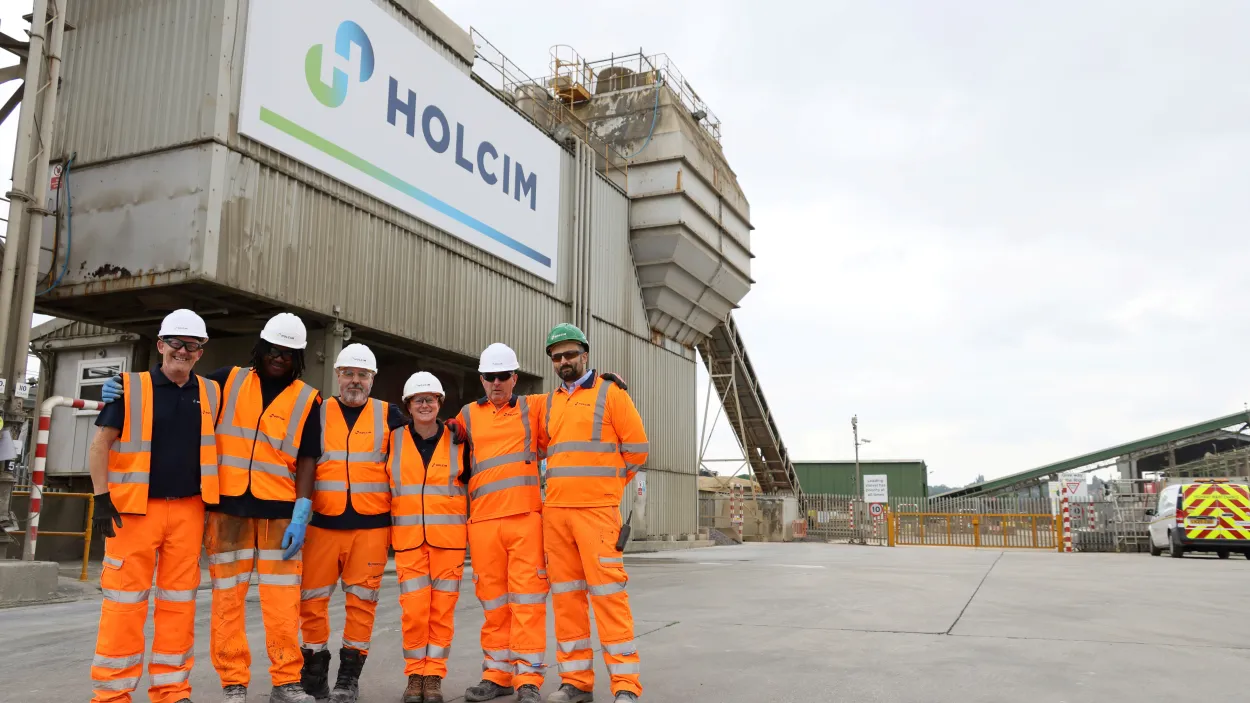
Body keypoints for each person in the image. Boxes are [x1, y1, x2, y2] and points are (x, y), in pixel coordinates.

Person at [103, 311, 322, 703]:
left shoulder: (308, 398)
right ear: (259, 347)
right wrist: (121, 387)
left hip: (279, 513)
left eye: (288, 353)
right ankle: (233, 680)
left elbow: (307, 459)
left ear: (299, 357)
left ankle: (286, 680)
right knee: (227, 598)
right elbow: (174, 382)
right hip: (227, 508)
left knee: (282, 600)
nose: (278, 357)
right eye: (272, 349)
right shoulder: (226, 380)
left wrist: (302, 511)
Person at [87, 309, 220, 703]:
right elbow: (99, 445)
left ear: (201, 351)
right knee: (124, 605)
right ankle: (113, 695)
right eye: (175, 342)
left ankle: (172, 690)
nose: (182, 350)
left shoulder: (212, 392)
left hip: (188, 510)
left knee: (179, 604)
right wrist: (100, 499)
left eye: (191, 344)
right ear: (161, 345)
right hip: (134, 512)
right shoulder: (129, 388)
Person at [540, 324, 648, 703]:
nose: (564, 361)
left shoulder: (610, 393)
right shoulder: (550, 402)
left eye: (570, 354)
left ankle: (625, 686)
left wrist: (607, 489)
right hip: (556, 515)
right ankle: (575, 682)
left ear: (585, 353)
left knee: (608, 598)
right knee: (567, 599)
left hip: (597, 514)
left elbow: (637, 450)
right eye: (557, 357)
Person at [298, 344, 407, 703]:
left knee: (362, 604)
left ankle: (348, 679)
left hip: (371, 529)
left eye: (363, 375)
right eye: (349, 373)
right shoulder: (316, 411)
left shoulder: (389, 415)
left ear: (373, 379)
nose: (355, 381)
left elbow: (425, 442)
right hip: (322, 526)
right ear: (338, 375)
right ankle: (314, 676)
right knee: (311, 602)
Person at [456, 343, 549, 703]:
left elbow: (571, 401)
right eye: (489, 377)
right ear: (481, 379)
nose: (496, 383)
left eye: (503, 376)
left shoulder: (532, 408)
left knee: (527, 603)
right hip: (483, 524)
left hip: (525, 520)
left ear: (515, 378)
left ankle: (528, 679)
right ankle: (497, 675)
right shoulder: (466, 415)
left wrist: (601, 383)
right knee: (493, 603)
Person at [390, 372, 469, 703]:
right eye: (418, 400)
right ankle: (414, 676)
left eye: (431, 399)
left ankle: (433, 675)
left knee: (442, 611)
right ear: (408, 406)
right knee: (414, 611)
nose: (425, 405)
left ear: (439, 404)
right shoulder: (391, 439)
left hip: (448, 542)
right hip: (408, 540)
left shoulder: (459, 440)